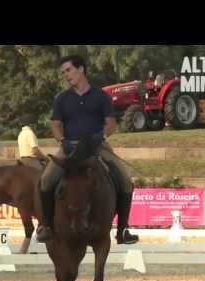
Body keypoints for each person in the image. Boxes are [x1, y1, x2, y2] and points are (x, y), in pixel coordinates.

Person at [36, 55, 139, 245]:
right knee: (46, 179)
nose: (66, 75)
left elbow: (111, 124)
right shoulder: (62, 98)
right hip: (69, 146)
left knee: (125, 180)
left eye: (69, 70)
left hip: (97, 146)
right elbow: (55, 123)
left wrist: (101, 135)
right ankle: (46, 226)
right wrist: (62, 139)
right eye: (64, 72)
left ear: (81, 69)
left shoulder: (101, 96)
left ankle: (123, 230)